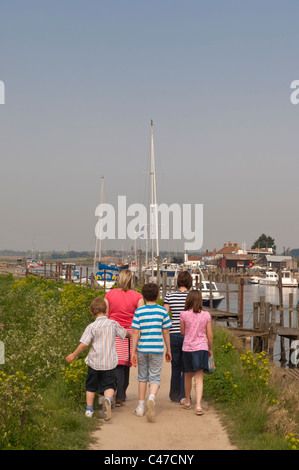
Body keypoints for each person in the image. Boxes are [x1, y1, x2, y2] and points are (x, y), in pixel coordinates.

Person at [65, 297, 130, 421]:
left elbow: (84, 344)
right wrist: (129, 334)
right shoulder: (112, 323)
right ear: (106, 311)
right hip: (109, 363)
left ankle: (89, 410)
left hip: (94, 362)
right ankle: (107, 400)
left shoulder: (91, 327)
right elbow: (124, 334)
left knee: (90, 387)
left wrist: (73, 354)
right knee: (109, 386)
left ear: (91, 313)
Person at [131, 283, 172, 422]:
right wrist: (169, 349)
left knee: (142, 377)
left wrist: (133, 352)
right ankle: (152, 398)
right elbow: (166, 331)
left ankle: (141, 407)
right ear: (158, 295)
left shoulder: (139, 312)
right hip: (157, 349)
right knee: (154, 377)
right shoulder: (162, 312)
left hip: (142, 348)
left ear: (143, 296)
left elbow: (135, 332)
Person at [104, 269, 144, 406]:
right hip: (132, 332)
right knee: (127, 363)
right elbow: (141, 317)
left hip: (115, 331)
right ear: (131, 280)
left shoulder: (109, 294)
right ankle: (121, 392)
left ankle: (117, 392)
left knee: (117, 363)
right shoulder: (137, 296)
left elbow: (106, 314)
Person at [180, 289, 213, 416]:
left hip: (188, 348)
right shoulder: (206, 315)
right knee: (199, 377)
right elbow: (210, 335)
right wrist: (210, 349)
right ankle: (198, 405)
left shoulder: (183, 315)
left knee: (188, 375)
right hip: (201, 348)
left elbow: (182, 332)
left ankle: (188, 401)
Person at [163, 270, 192, 403]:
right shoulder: (192, 296)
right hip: (188, 334)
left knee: (175, 366)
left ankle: (174, 395)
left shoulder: (169, 296)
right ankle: (184, 395)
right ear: (189, 282)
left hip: (173, 333)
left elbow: (165, 314)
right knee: (186, 367)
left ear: (178, 282)